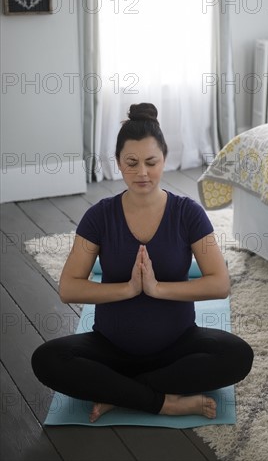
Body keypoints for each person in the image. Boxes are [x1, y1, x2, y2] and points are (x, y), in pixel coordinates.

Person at [32, 103, 254, 423]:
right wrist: (129, 289)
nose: (142, 173)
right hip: (111, 349)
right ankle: (163, 401)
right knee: (47, 360)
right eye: (131, 163)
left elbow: (219, 283)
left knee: (238, 356)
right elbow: (69, 287)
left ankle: (121, 395)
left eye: (151, 162)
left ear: (165, 159)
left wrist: (156, 289)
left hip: (177, 346)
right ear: (119, 164)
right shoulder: (99, 216)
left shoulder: (188, 213)